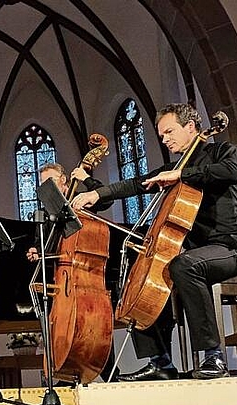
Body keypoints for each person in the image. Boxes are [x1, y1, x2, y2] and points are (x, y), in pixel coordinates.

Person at [71, 102, 237, 381]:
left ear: (191, 127)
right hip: (198, 250)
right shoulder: (172, 167)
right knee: (144, 277)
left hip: (229, 245)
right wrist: (97, 195)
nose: (165, 139)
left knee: (185, 266)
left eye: (169, 131)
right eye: (161, 135)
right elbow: (137, 183)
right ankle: (160, 362)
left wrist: (182, 175)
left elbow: (232, 170)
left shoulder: (221, 152)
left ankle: (213, 357)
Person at [25, 162, 118, 383]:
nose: (47, 189)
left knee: (97, 324)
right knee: (60, 324)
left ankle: (109, 373)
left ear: (65, 182)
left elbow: (108, 199)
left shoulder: (82, 203)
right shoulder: (48, 215)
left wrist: (86, 177)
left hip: (87, 275)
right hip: (62, 280)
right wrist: (36, 251)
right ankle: (65, 371)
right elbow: (44, 246)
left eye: (51, 182)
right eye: (43, 185)